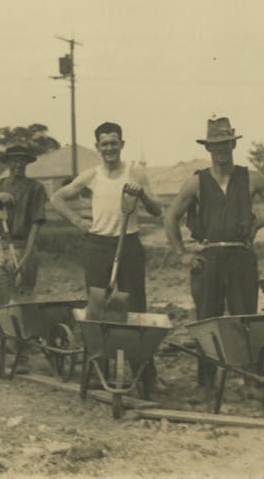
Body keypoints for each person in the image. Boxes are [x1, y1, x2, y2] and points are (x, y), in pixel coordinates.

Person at [163, 117, 264, 388]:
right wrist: (182, 254)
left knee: (245, 318)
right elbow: (171, 217)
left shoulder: (251, 178)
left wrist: (259, 223)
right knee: (207, 320)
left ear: (233, 144)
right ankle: (207, 382)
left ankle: (251, 380)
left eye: (225, 144)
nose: (221, 149)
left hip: (241, 257)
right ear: (208, 148)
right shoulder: (196, 183)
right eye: (215, 145)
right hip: (208, 258)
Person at [50, 122, 163, 390]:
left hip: (130, 244)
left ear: (122, 144)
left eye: (114, 143)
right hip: (98, 245)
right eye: (105, 144)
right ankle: (99, 371)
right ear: (98, 147)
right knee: (98, 307)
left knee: (135, 309)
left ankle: (145, 375)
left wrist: (142, 195)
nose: (110, 148)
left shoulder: (136, 173)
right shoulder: (91, 175)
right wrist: (79, 222)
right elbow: (56, 198)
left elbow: (157, 209)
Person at [0, 145, 47, 381]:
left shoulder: (35, 188)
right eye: (13, 161)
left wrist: (26, 256)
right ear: (7, 163)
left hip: (23, 245)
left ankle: (22, 356)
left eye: (21, 161)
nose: (17, 165)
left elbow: (37, 223)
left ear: (27, 163)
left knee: (21, 301)